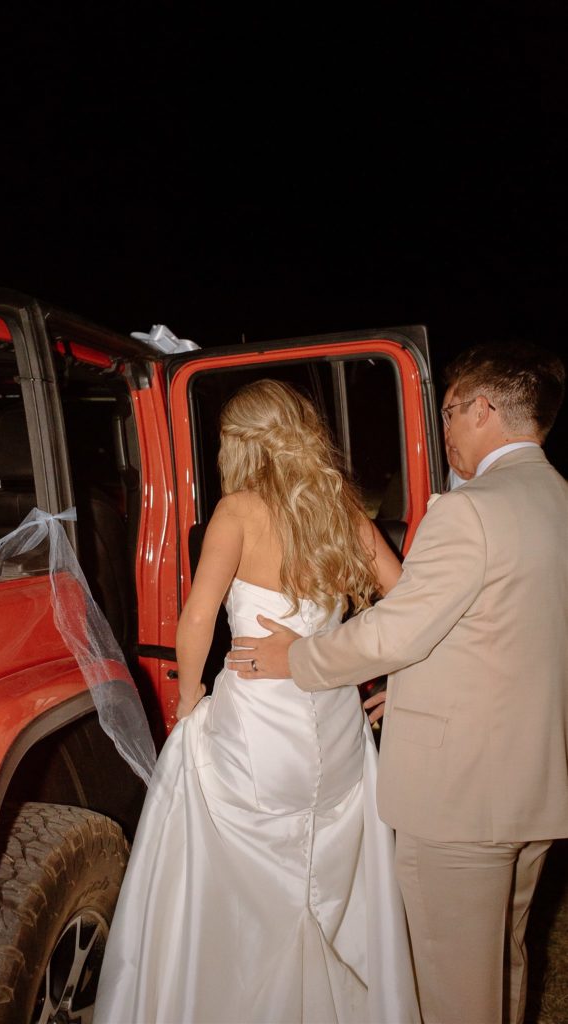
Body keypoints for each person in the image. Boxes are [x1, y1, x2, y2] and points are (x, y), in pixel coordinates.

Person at [228, 343, 568, 1024]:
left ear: (482, 409)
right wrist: (414, 689)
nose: (443, 433)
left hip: (461, 799)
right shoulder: (556, 501)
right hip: (532, 787)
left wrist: (299, 657)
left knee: (450, 990)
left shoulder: (469, 510)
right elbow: (509, 633)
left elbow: (394, 633)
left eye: (447, 414)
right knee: (503, 962)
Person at [93, 380, 420, 1024]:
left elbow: (196, 617)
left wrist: (191, 699)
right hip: (336, 731)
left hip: (258, 733)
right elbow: (410, 603)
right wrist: (349, 655)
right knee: (321, 866)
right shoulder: (343, 509)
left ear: (238, 444)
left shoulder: (239, 510)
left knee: (220, 841)